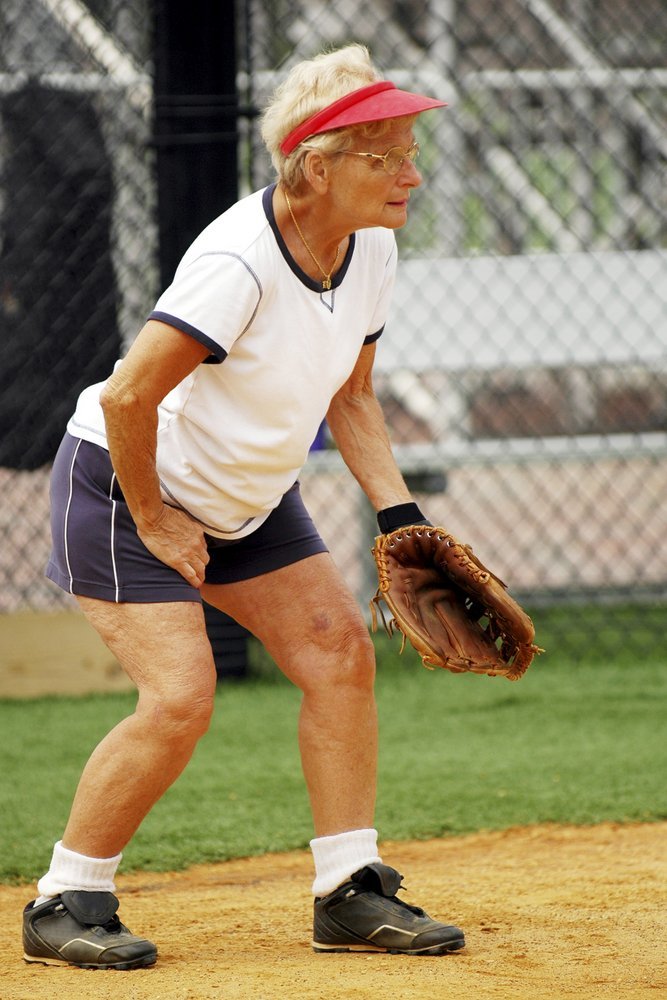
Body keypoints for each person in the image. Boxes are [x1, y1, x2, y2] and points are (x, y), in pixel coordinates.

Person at [22, 43, 465, 968]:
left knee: (340, 656)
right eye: (384, 155)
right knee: (181, 695)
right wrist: (152, 518)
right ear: (316, 163)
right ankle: (66, 898)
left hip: (246, 499)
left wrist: (399, 518)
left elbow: (351, 395)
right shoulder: (241, 261)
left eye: (408, 151)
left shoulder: (370, 246)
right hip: (123, 485)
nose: (410, 175)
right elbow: (127, 398)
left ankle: (348, 890)